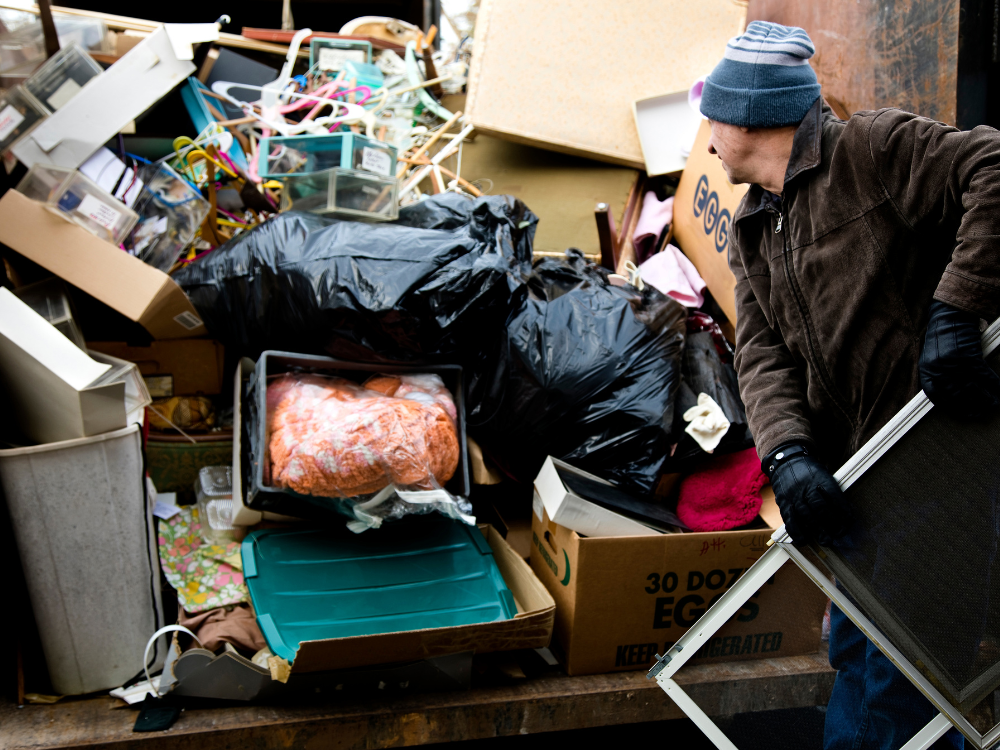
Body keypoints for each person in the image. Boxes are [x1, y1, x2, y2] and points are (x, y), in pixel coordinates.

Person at [698, 20, 1000, 750]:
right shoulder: (751, 228)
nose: (704, 136)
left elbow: (992, 165)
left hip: (936, 467)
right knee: (864, 664)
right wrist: (788, 458)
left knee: (897, 690)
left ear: (747, 114)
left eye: (711, 113)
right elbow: (762, 354)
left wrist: (957, 307)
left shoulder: (869, 150)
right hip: (856, 483)